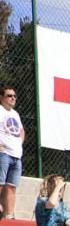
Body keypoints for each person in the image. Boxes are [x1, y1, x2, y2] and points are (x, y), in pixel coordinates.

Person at [0, 85, 24, 219]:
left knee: (12, 187)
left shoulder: (15, 114)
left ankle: (8, 216)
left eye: (14, 96)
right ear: (1, 98)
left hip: (16, 156)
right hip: (3, 154)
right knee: (0, 184)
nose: (13, 98)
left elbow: (21, 131)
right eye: (9, 95)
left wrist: (18, 145)